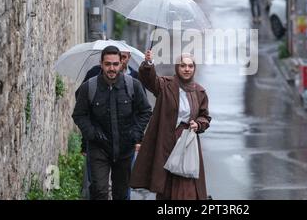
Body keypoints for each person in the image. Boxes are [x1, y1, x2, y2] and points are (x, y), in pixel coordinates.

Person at [72, 46, 152, 200]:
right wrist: (92, 133)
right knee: (99, 191)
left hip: (124, 150)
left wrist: (135, 134)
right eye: (108, 64)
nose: (112, 68)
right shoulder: (89, 86)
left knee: (121, 194)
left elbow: (145, 111)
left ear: (121, 64)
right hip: (99, 148)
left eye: (115, 64)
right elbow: (79, 114)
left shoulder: (132, 85)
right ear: (101, 64)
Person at [130, 50, 211, 200]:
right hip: (167, 140)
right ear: (177, 67)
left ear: (194, 68)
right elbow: (149, 79)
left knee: (187, 183)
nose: (187, 69)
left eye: (190, 66)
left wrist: (198, 124)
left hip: (187, 142)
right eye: (183, 66)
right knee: (166, 184)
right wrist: (148, 63)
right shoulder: (165, 85)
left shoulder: (199, 91)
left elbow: (205, 116)